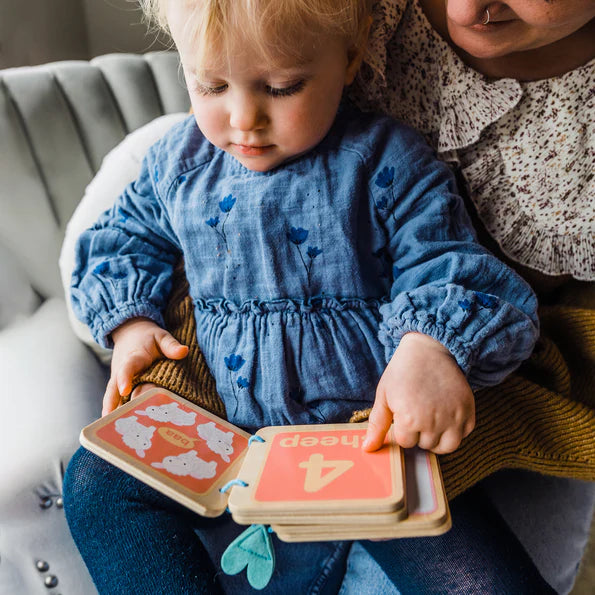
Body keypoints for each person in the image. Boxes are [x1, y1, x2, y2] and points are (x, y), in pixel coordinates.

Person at [62, 0, 558, 593]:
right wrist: (131, 326)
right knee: (96, 482)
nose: (244, 119)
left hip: (368, 441)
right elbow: (119, 241)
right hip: (222, 436)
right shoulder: (178, 161)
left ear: (350, 59)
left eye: (281, 87)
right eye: (211, 84)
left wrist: (429, 349)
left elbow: (447, 264)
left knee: (481, 576)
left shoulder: (385, 160)